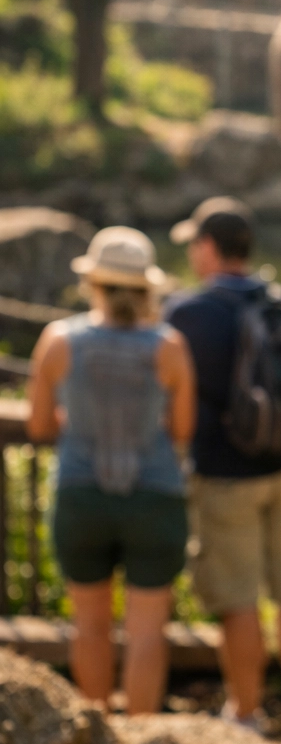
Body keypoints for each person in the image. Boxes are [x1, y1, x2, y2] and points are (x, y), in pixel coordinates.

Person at [162, 197, 281, 744]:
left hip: (224, 477)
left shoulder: (188, 314)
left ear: (209, 248)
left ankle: (245, 714)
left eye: (193, 242)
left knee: (238, 601)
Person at [26, 227, 195, 715]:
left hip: (81, 494)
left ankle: (96, 732)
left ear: (94, 283)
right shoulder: (170, 346)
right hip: (155, 495)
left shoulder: (59, 341)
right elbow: (182, 430)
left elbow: (39, 425)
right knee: (146, 631)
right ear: (147, 288)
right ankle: (141, 735)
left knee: (90, 625)